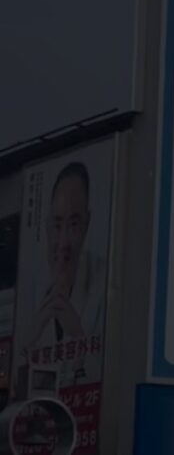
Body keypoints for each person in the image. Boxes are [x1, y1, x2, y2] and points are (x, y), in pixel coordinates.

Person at [18, 162, 107, 389]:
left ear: (87, 225)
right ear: (47, 226)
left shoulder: (105, 281)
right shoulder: (29, 283)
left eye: (74, 225)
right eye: (57, 226)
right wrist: (30, 337)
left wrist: (79, 336)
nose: (63, 242)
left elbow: (105, 376)